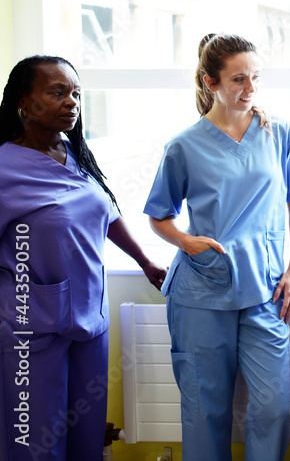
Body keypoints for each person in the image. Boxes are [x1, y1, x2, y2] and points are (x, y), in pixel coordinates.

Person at [144, 34, 290, 461]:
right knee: (205, 410)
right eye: (239, 79)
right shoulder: (184, 146)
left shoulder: (277, 133)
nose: (251, 88)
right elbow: (158, 216)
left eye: (256, 77)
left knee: (272, 407)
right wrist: (186, 241)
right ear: (210, 82)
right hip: (202, 292)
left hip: (266, 289)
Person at [0, 55, 166, 461]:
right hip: (30, 324)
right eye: (57, 92)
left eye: (76, 93)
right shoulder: (5, 166)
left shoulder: (74, 155)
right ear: (23, 100)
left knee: (86, 430)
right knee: (36, 439)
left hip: (89, 317)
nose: (72, 102)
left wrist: (147, 263)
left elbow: (106, 214)